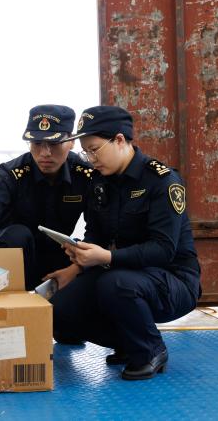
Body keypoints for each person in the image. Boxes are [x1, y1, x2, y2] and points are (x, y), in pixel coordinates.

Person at [49, 105, 201, 380]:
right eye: (86, 152)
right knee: (60, 308)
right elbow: (95, 232)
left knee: (114, 284)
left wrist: (106, 258)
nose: (90, 159)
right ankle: (127, 343)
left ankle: (150, 350)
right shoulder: (100, 182)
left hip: (172, 280)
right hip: (124, 274)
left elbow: (164, 250)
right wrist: (76, 263)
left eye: (94, 150)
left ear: (119, 140)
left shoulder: (162, 181)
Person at [0, 105, 94, 290]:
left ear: (71, 142)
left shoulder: (84, 174)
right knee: (18, 234)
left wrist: (76, 268)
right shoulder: (12, 173)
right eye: (37, 144)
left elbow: (98, 227)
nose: (45, 153)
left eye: (53, 144)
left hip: (58, 257)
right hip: (12, 257)